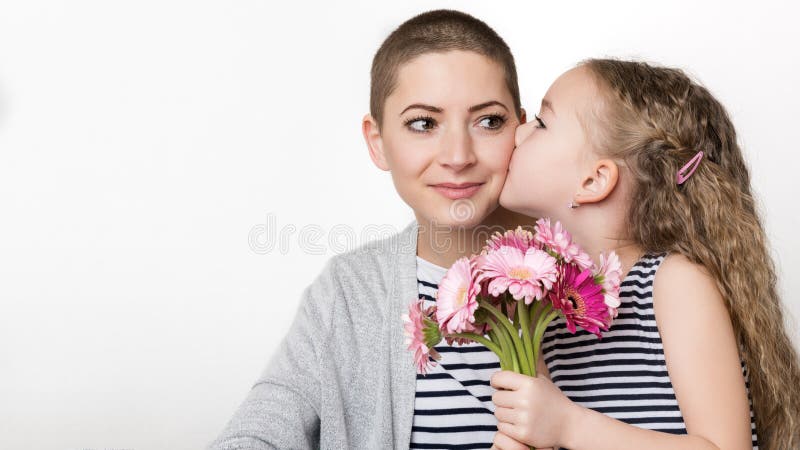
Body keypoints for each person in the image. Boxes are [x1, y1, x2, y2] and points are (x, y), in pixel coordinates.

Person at [208, 9, 536, 449]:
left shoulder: (585, 276)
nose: (458, 156)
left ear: (522, 129)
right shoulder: (349, 291)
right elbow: (257, 432)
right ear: (377, 142)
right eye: (423, 123)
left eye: (489, 121)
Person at [489, 58, 800, 450]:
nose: (518, 134)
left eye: (542, 122)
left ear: (594, 180)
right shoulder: (548, 306)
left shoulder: (673, 284)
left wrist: (568, 426)